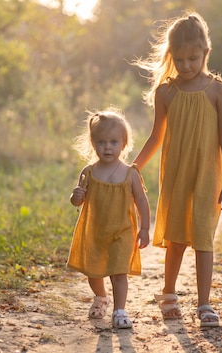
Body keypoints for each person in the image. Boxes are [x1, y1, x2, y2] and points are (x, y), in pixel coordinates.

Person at [132, 11, 222, 328]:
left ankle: (205, 304)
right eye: (180, 59)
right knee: (176, 237)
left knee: (204, 237)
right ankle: (169, 294)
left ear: (206, 52)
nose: (187, 65)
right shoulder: (167, 92)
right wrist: (133, 168)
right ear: (171, 57)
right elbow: (156, 137)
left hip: (207, 175)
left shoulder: (218, 91)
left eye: (193, 58)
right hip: (176, 174)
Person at [67, 108, 151, 329]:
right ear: (93, 143)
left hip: (122, 231)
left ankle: (119, 310)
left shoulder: (130, 173)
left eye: (113, 142)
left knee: (118, 271)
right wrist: (75, 197)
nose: (107, 147)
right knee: (94, 272)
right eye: (102, 142)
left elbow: (142, 201)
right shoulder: (90, 172)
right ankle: (101, 296)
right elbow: (78, 201)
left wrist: (144, 229)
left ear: (124, 144)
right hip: (95, 231)